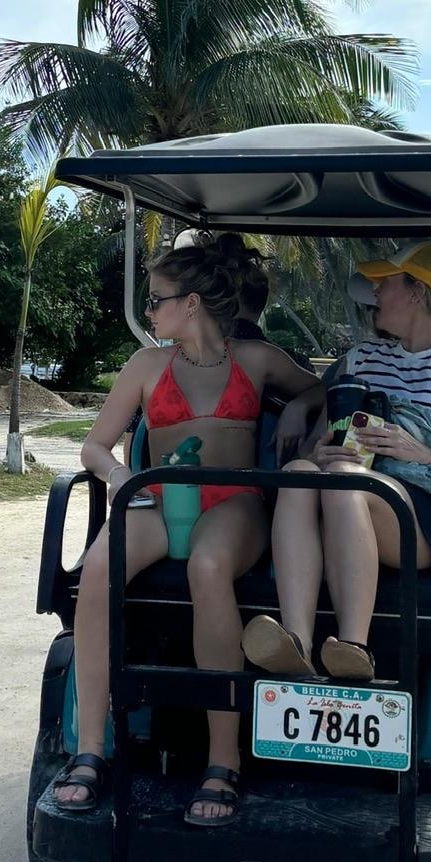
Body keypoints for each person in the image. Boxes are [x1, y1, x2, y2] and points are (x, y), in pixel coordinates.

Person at [53, 233, 324, 827]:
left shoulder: (255, 359)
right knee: (97, 571)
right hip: (161, 497)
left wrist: (301, 407)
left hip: (234, 499)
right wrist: (120, 475)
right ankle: (90, 749)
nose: (150, 312)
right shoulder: (147, 366)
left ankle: (222, 759)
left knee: (208, 566)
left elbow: (316, 386)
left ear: (192, 303)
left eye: (157, 301)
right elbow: (94, 446)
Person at [244, 241, 431, 683]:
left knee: (347, 481)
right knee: (299, 474)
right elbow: (314, 446)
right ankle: (296, 643)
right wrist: (317, 451)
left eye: (386, 283)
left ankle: (353, 646)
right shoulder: (362, 359)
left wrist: (425, 455)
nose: (375, 293)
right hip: (354, 494)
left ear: (418, 292)